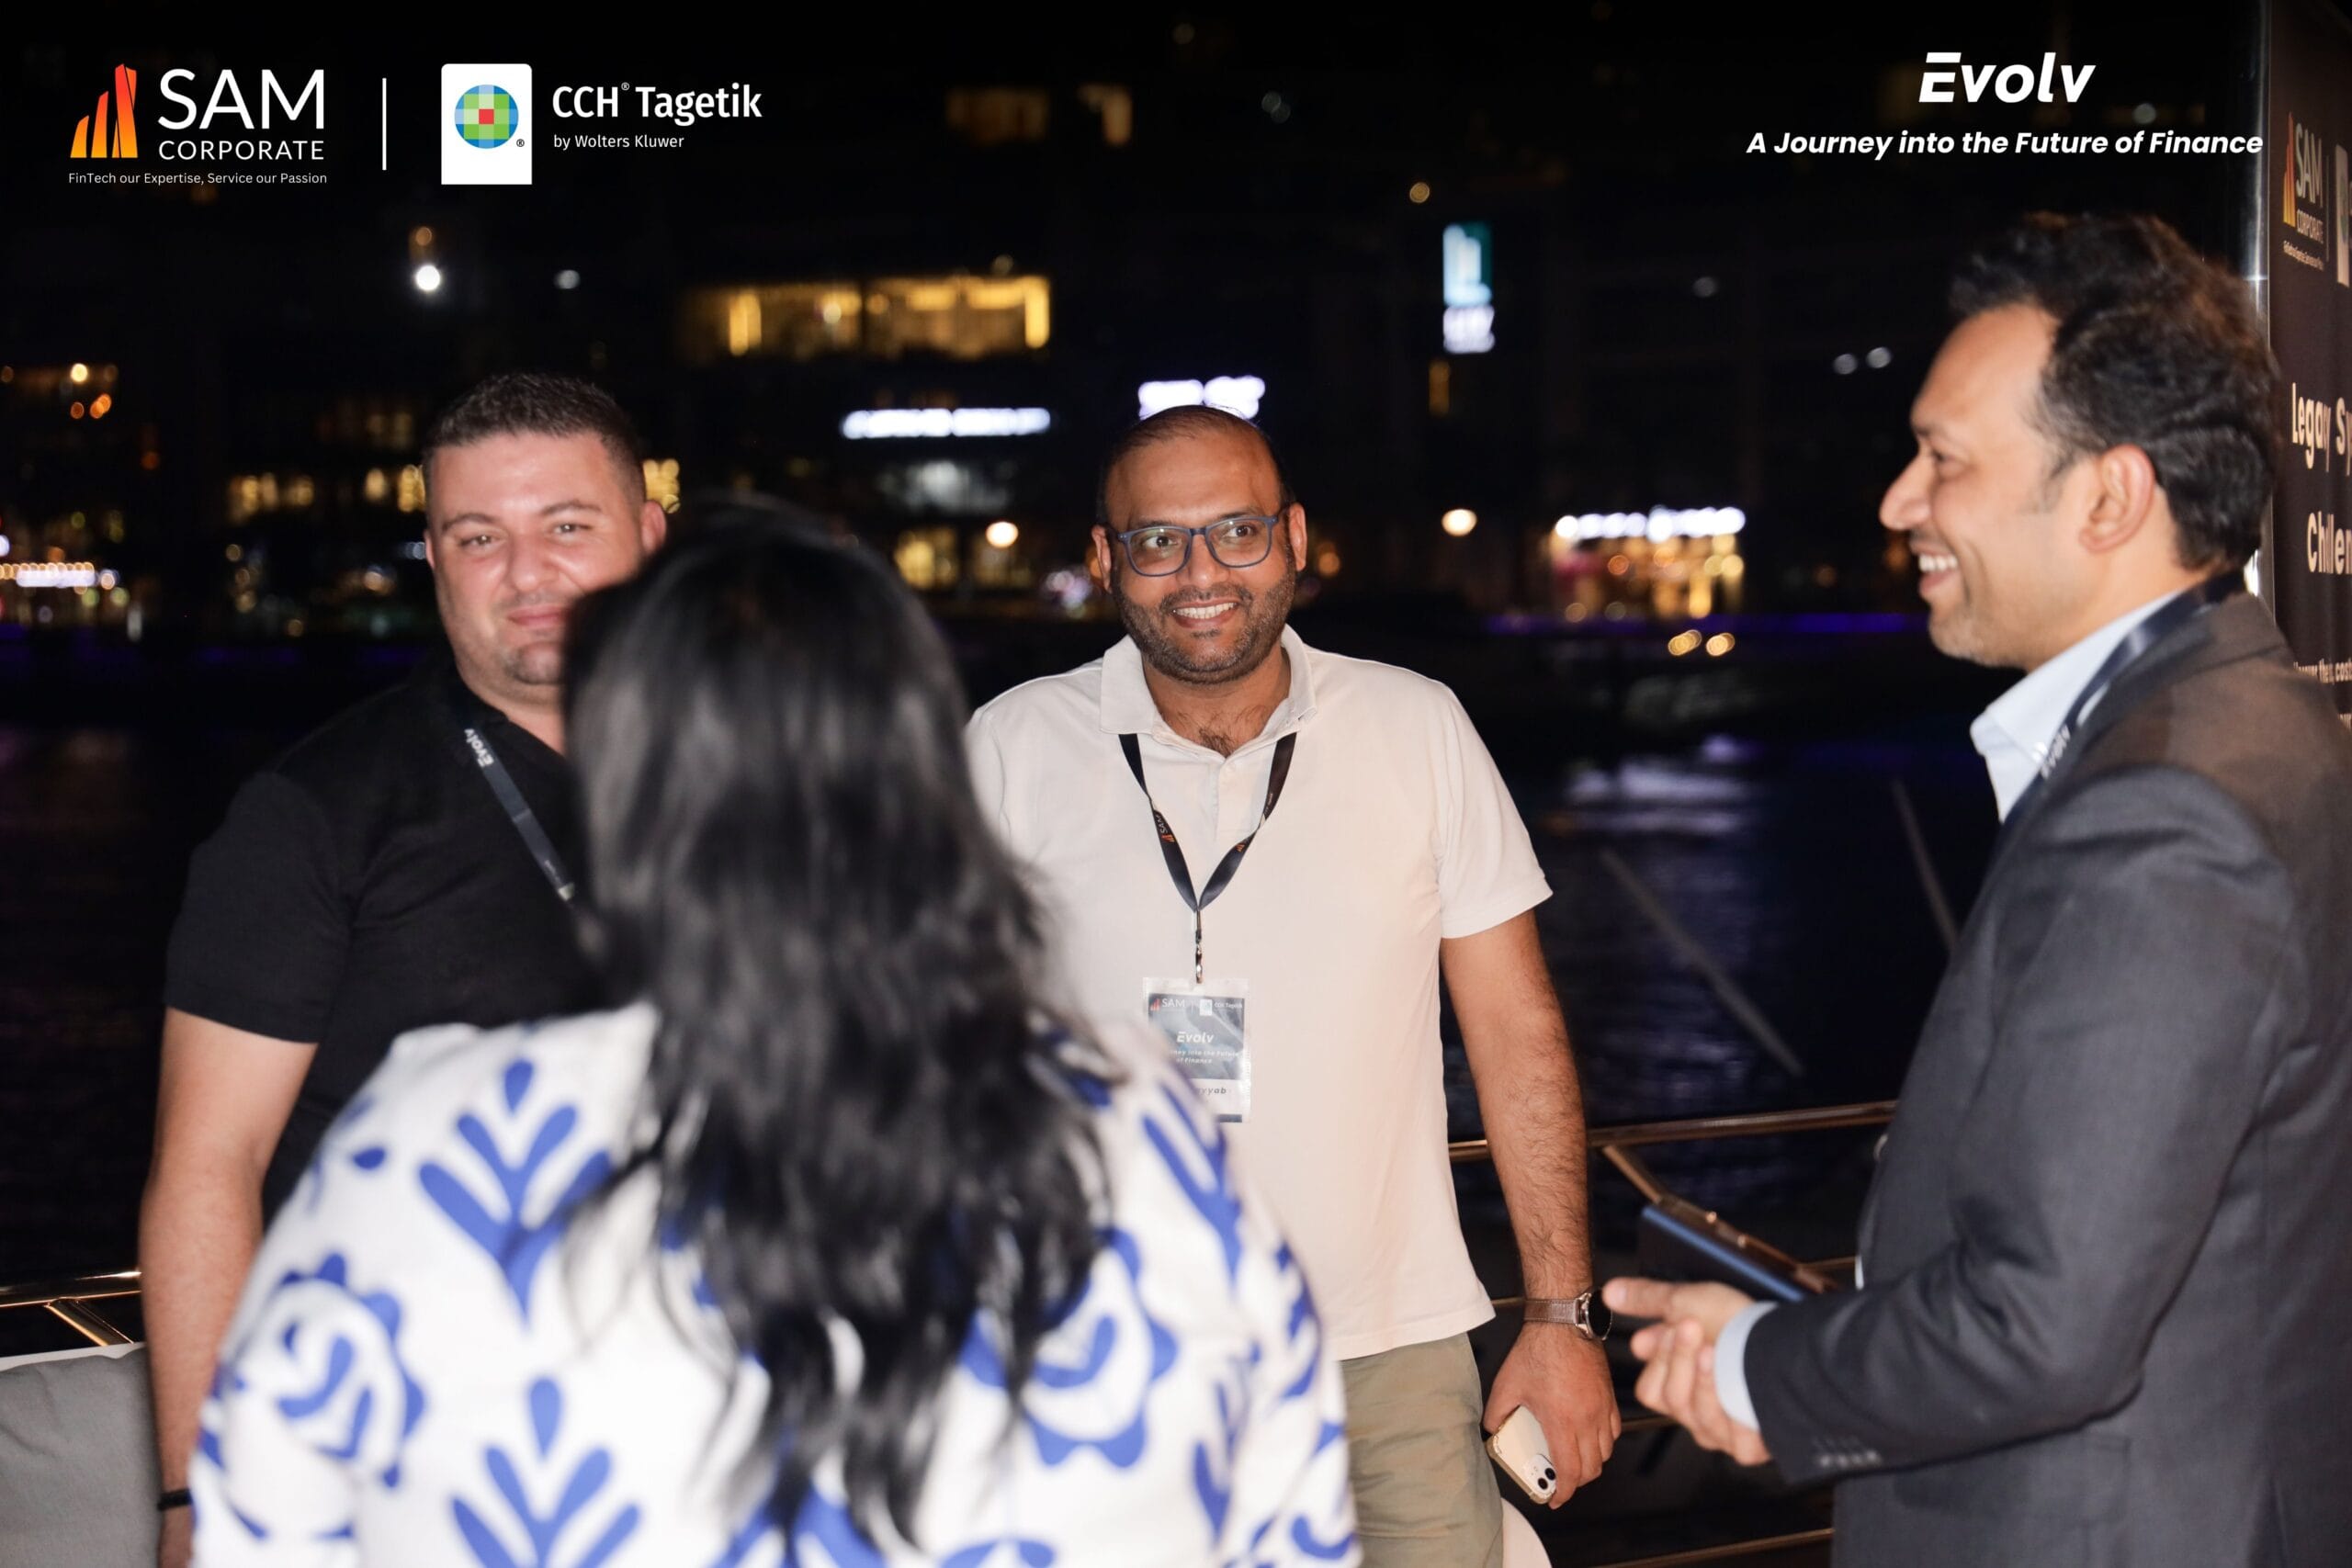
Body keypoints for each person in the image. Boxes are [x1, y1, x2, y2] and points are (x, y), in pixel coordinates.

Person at [187, 514, 1358, 1566]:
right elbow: (1289, 1521)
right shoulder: (1135, 1128)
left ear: (626, 802)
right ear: (920, 793)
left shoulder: (429, 1140)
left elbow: (266, 1522)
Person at [1606, 212, 2352, 1567]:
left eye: (1943, 458)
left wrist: (1767, 1364)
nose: (1899, 500)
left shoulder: (2166, 808)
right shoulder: (2260, 730)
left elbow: (2045, 1321)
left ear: (2108, 496)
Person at [967, 407, 1617, 1567]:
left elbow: (1516, 1035)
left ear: (1295, 538)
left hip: (1390, 1352)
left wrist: (1560, 1318)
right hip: (1106, 1357)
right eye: (1158, 541)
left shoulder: (1419, 728)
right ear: (1105, 558)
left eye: (1237, 532)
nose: (1201, 573)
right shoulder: (1011, 749)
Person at [142, 372, 667, 1564]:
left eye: (567, 526)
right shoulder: (312, 816)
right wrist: (197, 1499)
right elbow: (206, 1168)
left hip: (673, 1443)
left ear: (650, 537)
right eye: (479, 536)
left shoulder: (745, 783)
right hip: (394, 1458)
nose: (526, 573)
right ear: (435, 556)